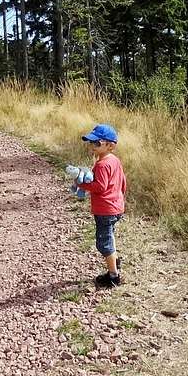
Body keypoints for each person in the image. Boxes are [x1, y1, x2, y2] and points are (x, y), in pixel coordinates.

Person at [75, 123, 127, 288]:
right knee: (109, 237)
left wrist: (82, 185)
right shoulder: (115, 161)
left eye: (97, 143)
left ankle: (113, 276)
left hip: (105, 210)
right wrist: (119, 197)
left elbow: (100, 186)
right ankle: (114, 264)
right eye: (91, 142)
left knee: (103, 243)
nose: (93, 146)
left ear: (110, 145)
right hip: (115, 207)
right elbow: (123, 182)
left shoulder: (102, 164)